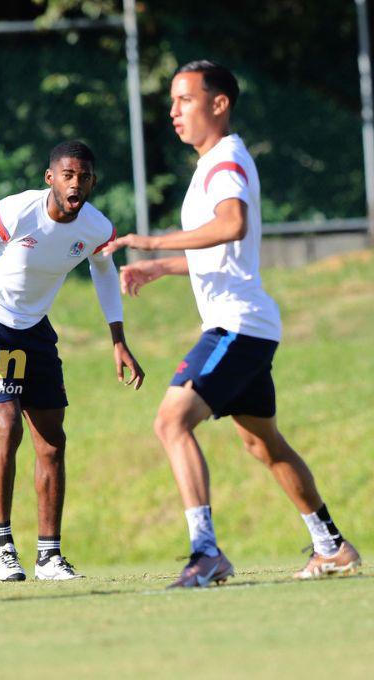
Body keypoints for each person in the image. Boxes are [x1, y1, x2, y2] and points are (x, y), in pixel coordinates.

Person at [105, 60, 361, 586]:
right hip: (250, 324)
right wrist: (162, 267)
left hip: (236, 327)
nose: (174, 111)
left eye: (185, 100)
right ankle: (331, 545)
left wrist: (150, 241)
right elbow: (226, 253)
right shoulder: (213, 164)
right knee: (262, 443)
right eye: (172, 101)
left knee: (171, 421)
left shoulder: (225, 162)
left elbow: (231, 225)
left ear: (218, 104)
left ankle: (206, 553)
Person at [0, 140, 145, 582]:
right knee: (7, 427)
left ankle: (49, 556)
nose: (76, 183)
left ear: (92, 181)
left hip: (36, 332)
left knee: (52, 443)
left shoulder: (95, 227)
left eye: (84, 176)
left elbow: (104, 271)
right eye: (68, 174)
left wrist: (118, 338)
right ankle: (1, 545)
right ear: (50, 177)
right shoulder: (17, 211)